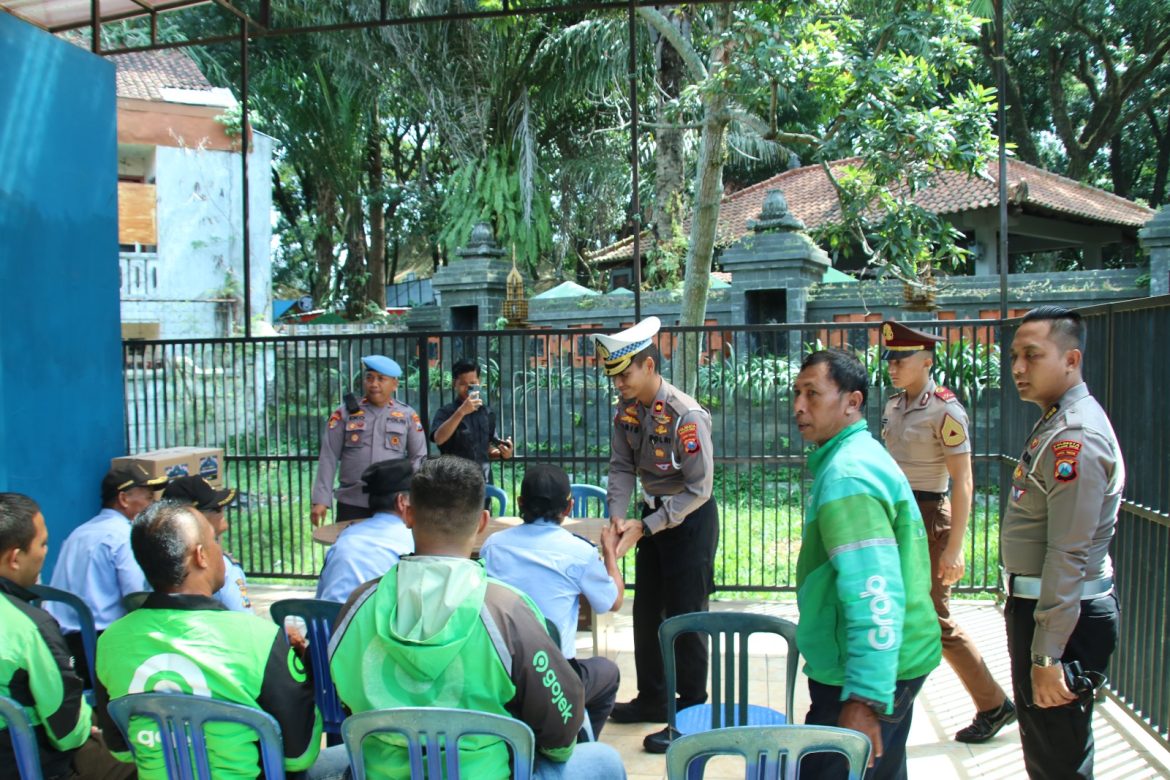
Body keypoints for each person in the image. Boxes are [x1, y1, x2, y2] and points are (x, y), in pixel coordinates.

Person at [328, 456, 626, 780]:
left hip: (376, 773)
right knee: (603, 759)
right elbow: (559, 728)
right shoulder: (507, 612)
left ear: (408, 514)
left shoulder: (357, 607)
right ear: (483, 522)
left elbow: (344, 698)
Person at [93, 501, 348, 780]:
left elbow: (121, 749)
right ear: (200, 555)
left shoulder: (109, 642)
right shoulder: (259, 638)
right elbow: (299, 755)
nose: (221, 549)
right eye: (215, 540)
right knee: (348, 758)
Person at [793, 349, 941, 780]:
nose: (800, 406)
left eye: (813, 394)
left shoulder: (848, 475)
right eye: (797, 393)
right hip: (893, 663)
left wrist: (865, 698)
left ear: (852, 402)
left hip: (863, 677)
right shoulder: (855, 456)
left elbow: (872, 590)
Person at [880, 320, 1016, 742]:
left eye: (901, 359)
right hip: (898, 515)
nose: (893, 367)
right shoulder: (894, 405)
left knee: (935, 619)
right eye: (890, 359)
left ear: (926, 361)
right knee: (896, 609)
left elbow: (965, 480)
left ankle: (994, 705)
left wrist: (954, 548)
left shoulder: (946, 410)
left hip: (929, 517)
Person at [1003, 306, 1123, 780]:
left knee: (1058, 762)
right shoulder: (1058, 420)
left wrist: (1046, 656)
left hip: (1062, 623)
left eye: (1032, 355)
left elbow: (1069, 552)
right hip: (1051, 612)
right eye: (1014, 355)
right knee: (1051, 753)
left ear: (1071, 359)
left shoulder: (1075, 436)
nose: (1017, 367)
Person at [591, 316, 717, 754]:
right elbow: (622, 466)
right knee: (647, 614)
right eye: (614, 377)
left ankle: (692, 710)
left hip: (688, 521)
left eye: (624, 374)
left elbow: (700, 490)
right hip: (650, 520)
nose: (618, 384)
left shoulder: (685, 415)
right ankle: (652, 698)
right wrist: (615, 517)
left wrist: (648, 524)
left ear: (648, 365)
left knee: (685, 615)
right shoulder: (627, 412)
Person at [480, 464, 623, 739]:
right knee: (608, 673)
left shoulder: (493, 545)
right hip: (554, 677)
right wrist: (610, 554)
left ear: (521, 503)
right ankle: (576, 740)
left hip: (501, 671)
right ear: (569, 507)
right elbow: (613, 602)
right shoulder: (579, 551)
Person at [0, 493, 135, 780]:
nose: (44, 552)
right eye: (43, 543)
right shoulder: (30, 627)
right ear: (14, 558)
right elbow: (67, 733)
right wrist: (87, 724)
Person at [47, 463, 168, 684]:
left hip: (63, 645)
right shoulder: (124, 537)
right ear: (123, 499)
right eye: (149, 498)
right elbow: (137, 600)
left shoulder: (78, 533)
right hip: (104, 645)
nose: (153, 505)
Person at [310, 355, 427, 527]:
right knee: (351, 547)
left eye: (381, 379)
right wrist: (321, 499)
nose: (374, 384)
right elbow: (328, 455)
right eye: (369, 378)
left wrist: (413, 497)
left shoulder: (407, 415)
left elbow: (419, 458)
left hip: (392, 502)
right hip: (352, 500)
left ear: (394, 384)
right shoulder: (344, 413)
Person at [315, 459, 415, 603]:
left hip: (328, 622)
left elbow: (321, 597)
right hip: (371, 623)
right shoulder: (412, 539)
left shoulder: (345, 536)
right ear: (401, 502)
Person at [162, 475, 250, 612]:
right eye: (217, 508)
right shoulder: (222, 566)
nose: (222, 512)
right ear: (197, 517)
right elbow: (246, 623)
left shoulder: (157, 561)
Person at [430, 358, 514, 483]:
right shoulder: (446, 412)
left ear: (479, 382)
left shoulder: (487, 412)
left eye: (473, 383)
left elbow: (487, 448)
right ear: (455, 384)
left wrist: (504, 453)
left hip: (482, 482)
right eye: (463, 384)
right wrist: (461, 412)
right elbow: (438, 438)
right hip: (454, 481)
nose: (468, 388)